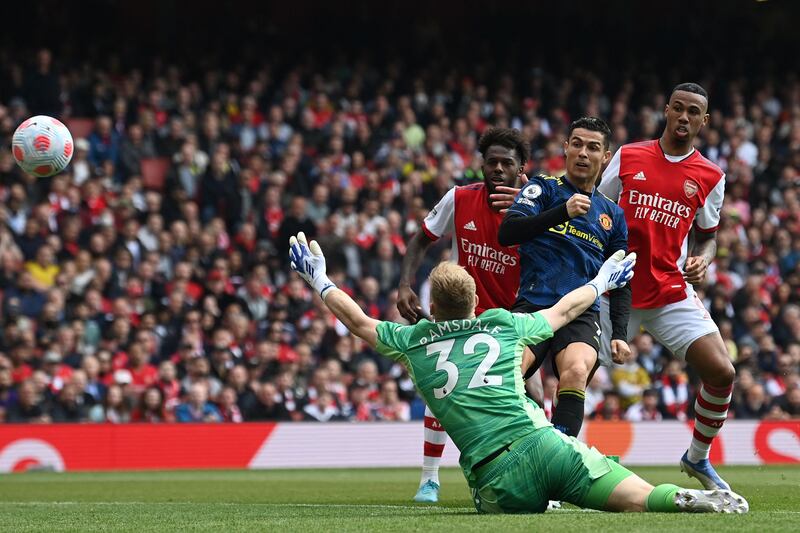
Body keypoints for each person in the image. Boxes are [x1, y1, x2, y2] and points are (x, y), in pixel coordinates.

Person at [288, 232, 748, 514]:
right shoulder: (505, 325)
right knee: (637, 498)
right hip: (547, 444)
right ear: (475, 305)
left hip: (498, 479)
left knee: (502, 504)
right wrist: (603, 279)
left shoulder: (413, 341)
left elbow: (358, 322)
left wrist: (321, 280)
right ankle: (676, 499)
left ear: (432, 308)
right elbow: (565, 309)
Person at [598, 83, 735, 491]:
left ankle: (696, 458)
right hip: (616, 288)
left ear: (704, 121)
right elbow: (597, 208)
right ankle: (555, 464)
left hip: (669, 292)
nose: (684, 117)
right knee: (574, 373)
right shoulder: (629, 156)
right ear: (666, 110)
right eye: (678, 108)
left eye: (694, 112)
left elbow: (708, 236)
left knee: (722, 371)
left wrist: (704, 259)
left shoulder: (711, 176)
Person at [396, 127, 528, 502]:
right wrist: (405, 284)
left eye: (507, 163)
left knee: (530, 393)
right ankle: (429, 478)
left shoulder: (533, 206)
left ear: (522, 169)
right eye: (492, 162)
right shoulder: (458, 198)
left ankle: (539, 472)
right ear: (481, 165)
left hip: (508, 317)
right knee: (442, 384)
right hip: (459, 313)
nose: (498, 168)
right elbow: (422, 238)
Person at [497, 117, 631, 439]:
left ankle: (561, 459)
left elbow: (621, 276)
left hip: (582, 310)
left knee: (576, 370)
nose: (584, 153)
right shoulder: (542, 189)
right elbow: (508, 232)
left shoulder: (612, 214)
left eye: (593, 147)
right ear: (566, 148)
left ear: (606, 157)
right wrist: (562, 212)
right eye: (577, 144)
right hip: (535, 302)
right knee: (509, 371)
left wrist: (621, 333)